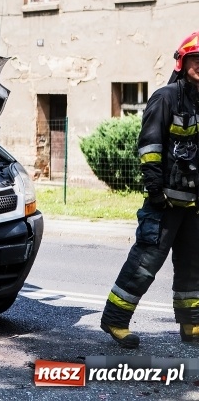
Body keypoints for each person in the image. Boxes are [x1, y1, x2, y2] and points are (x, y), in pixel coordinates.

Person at [100, 31, 199, 348]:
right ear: (183, 63)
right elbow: (151, 146)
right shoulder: (165, 97)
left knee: (192, 268)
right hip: (165, 203)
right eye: (196, 60)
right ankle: (115, 321)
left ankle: (191, 326)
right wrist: (156, 190)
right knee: (144, 265)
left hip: (194, 206)